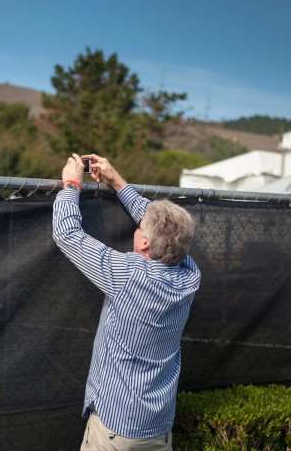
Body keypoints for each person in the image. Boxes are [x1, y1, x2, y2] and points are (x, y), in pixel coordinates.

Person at [52, 153, 201, 450]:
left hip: (115, 432)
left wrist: (71, 184)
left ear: (144, 242)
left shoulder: (128, 275)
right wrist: (116, 181)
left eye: (138, 228)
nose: (135, 226)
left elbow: (67, 233)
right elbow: (165, 230)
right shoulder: (190, 276)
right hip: (158, 428)